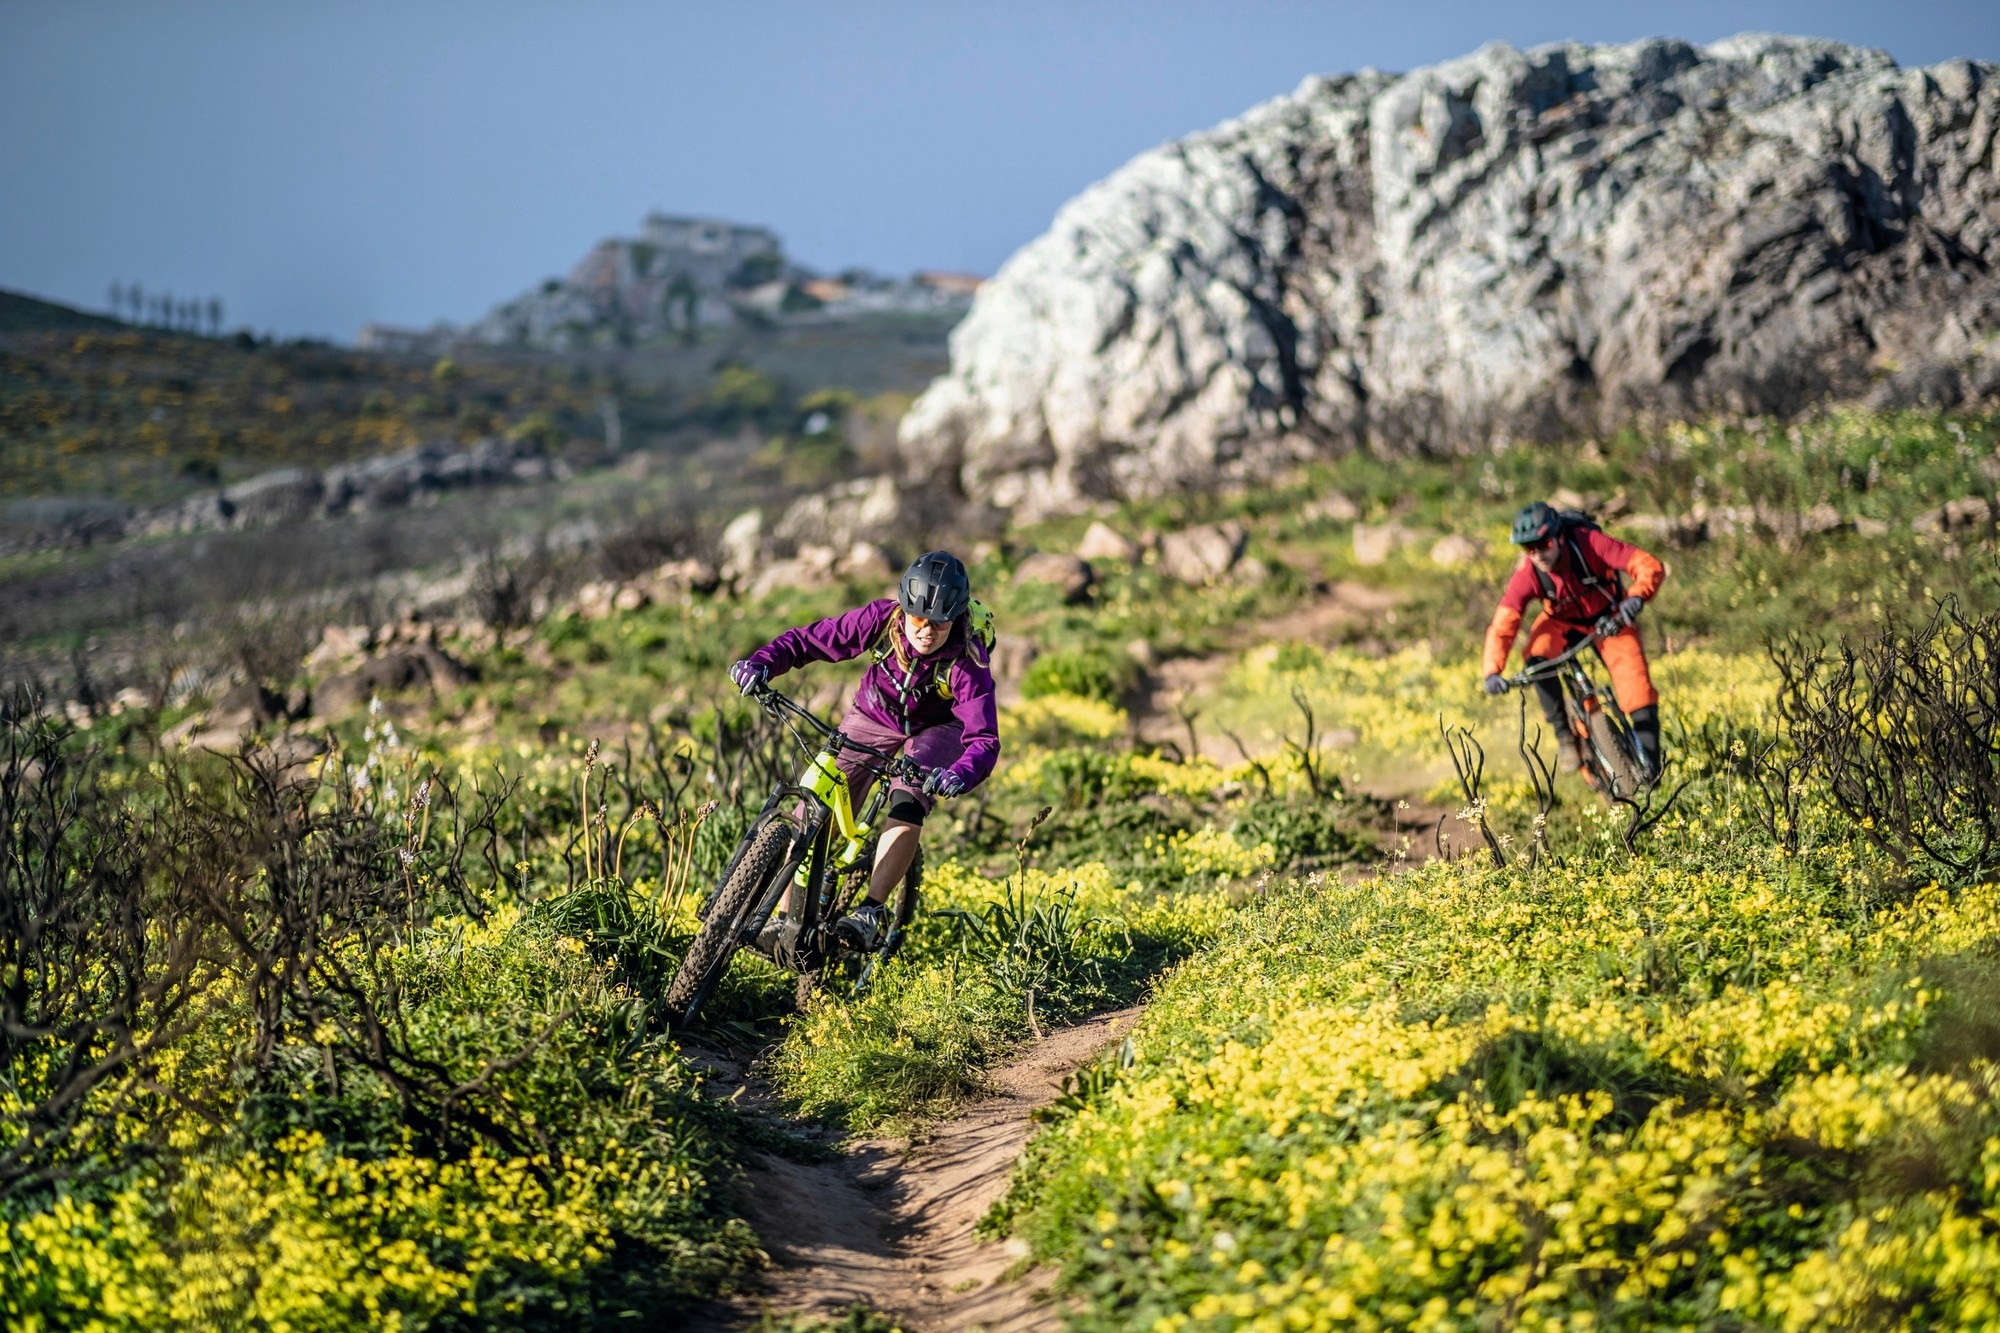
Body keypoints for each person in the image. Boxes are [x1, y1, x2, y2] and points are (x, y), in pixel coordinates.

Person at [727, 550, 998, 950]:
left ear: (956, 617)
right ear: (904, 609)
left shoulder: (966, 661)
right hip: (873, 716)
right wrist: (762, 664)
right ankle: (785, 922)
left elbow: (984, 738)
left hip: (939, 728)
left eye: (939, 623)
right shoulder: (879, 620)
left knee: (908, 797)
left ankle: (871, 910)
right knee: (813, 812)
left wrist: (959, 772)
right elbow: (808, 642)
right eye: (919, 619)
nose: (926, 631)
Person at [1480, 501, 1667, 780]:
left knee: (1637, 689)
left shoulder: (1590, 543)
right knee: (1537, 656)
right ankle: (1565, 738)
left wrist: (1637, 596)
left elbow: (1646, 564)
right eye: (1528, 548)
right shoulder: (1529, 573)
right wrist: (1492, 671)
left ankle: (1652, 771)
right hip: (1563, 624)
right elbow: (1504, 623)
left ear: (1558, 536)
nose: (1538, 553)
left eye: (1543, 543)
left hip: (1611, 618)